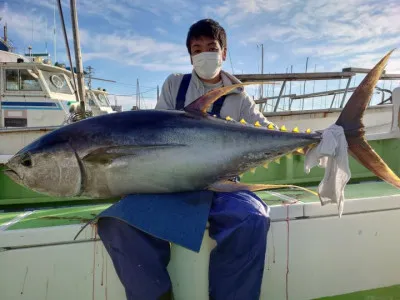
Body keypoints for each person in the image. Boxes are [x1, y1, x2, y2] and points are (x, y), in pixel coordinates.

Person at [98, 19, 274, 300]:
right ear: (190, 55)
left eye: (211, 47)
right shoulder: (174, 85)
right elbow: (153, 133)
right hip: (173, 185)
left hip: (223, 184)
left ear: (224, 53)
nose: (204, 53)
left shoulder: (240, 96)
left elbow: (267, 131)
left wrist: (315, 139)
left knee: (252, 219)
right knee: (118, 222)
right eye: (197, 48)